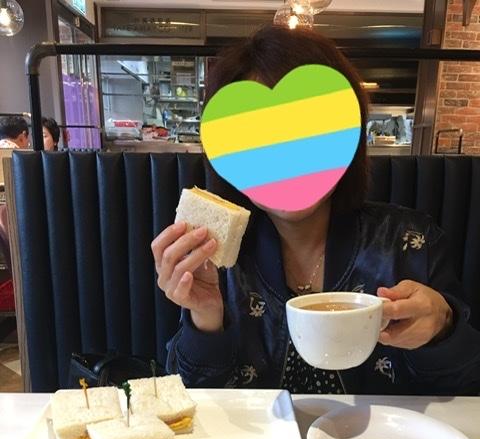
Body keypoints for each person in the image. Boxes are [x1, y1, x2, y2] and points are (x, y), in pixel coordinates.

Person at [151, 25, 480, 396]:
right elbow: (191, 399)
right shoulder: (218, 261)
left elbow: (468, 391)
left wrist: (443, 328)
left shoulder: (411, 245)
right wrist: (205, 316)